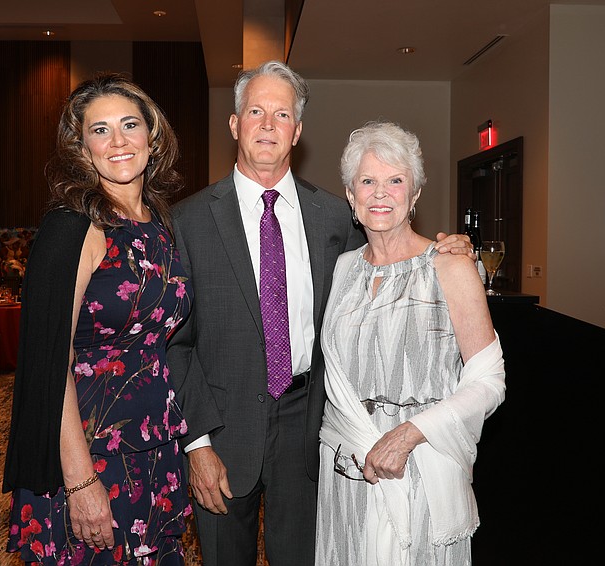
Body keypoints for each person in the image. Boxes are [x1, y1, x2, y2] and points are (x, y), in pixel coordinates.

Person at [167, 60, 474, 566]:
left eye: (282, 114)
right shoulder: (188, 219)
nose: (268, 124)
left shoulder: (334, 216)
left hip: (310, 431)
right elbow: (176, 342)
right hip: (221, 433)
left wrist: (449, 248)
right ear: (234, 123)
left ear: (298, 131)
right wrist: (196, 443)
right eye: (256, 111)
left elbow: (390, 255)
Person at [2, 73, 193, 565]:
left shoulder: (162, 223)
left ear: (153, 135)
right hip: (89, 450)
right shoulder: (72, 229)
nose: (118, 141)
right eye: (100, 130)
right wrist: (80, 479)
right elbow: (48, 365)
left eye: (130, 124)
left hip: (155, 444)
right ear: (82, 148)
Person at [316, 121, 506, 565]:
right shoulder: (343, 269)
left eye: (395, 181)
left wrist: (410, 434)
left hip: (419, 464)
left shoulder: (450, 266)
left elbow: (489, 380)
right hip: (346, 473)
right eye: (368, 181)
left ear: (415, 194)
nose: (380, 193)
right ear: (350, 195)